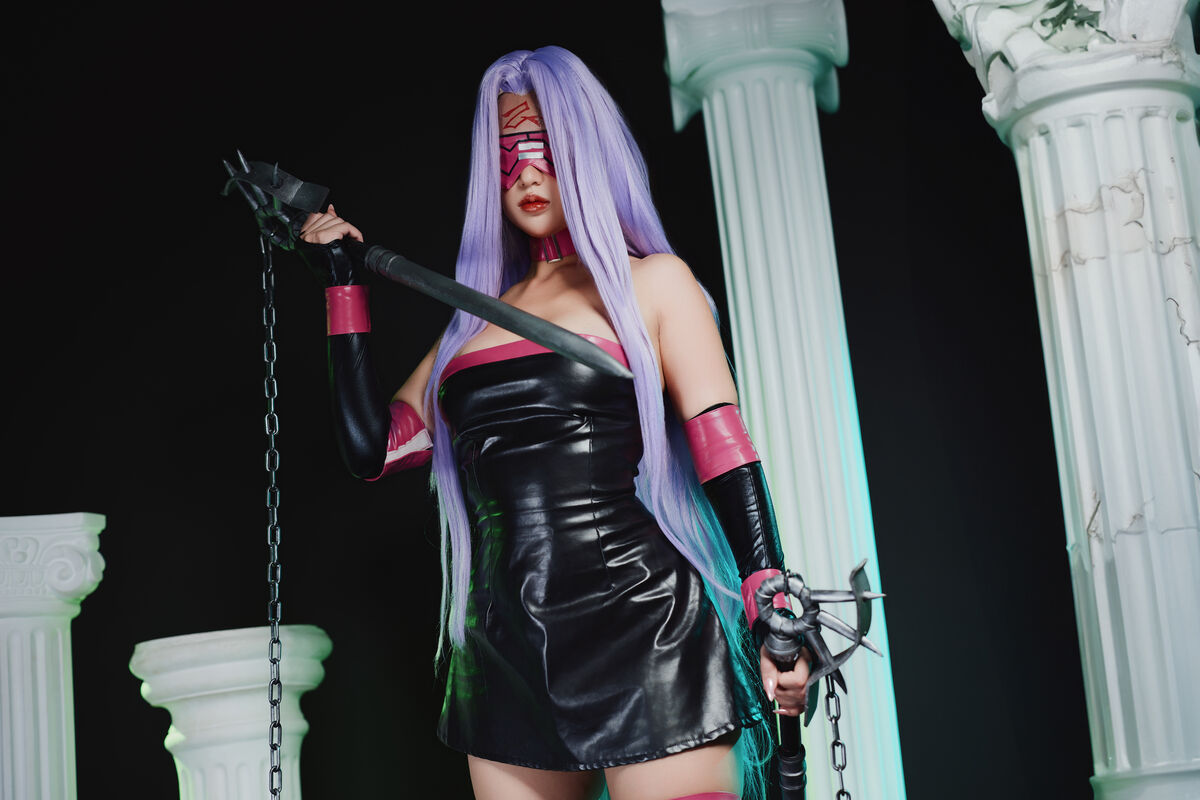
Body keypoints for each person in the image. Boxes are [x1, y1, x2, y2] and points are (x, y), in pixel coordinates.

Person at [298, 46, 810, 800]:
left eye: (545, 150)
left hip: (647, 628)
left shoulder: (653, 285)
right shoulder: (472, 323)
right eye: (508, 157)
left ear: (586, 154)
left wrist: (771, 605)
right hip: (504, 650)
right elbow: (373, 449)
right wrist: (343, 290)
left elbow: (723, 450)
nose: (528, 175)